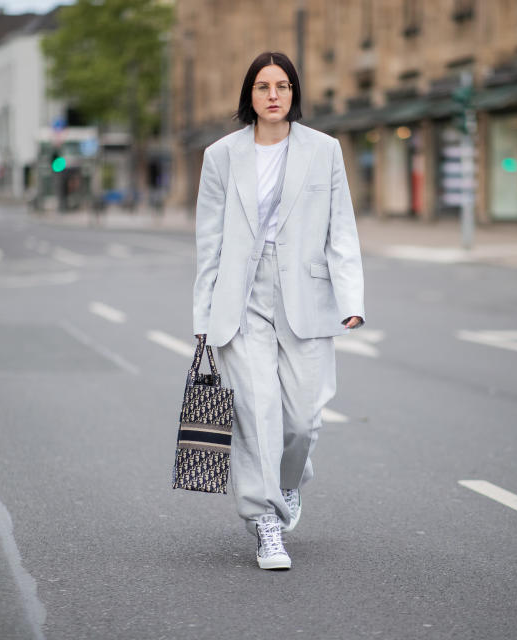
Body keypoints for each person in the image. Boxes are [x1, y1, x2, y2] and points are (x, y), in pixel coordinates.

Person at [192, 51, 365, 570]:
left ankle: (288, 482)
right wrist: (202, 319)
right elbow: (209, 241)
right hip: (240, 297)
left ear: (294, 94)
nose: (274, 95)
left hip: (306, 296)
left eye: (284, 86)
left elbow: (342, 228)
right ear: (250, 94)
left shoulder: (324, 150)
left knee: (303, 419)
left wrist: (351, 299)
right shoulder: (221, 155)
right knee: (257, 410)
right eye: (264, 86)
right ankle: (265, 522)